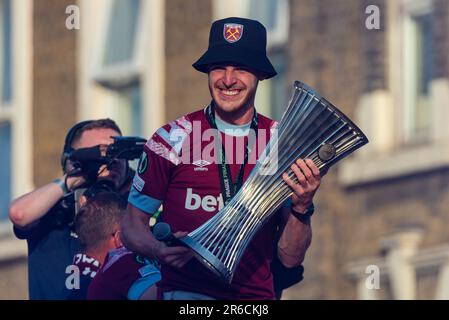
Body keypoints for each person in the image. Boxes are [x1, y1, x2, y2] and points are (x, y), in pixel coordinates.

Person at [121, 17, 321, 300]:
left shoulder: (283, 144)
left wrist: (302, 208)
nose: (228, 80)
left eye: (240, 68)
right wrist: (157, 249)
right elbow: (131, 226)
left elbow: (290, 259)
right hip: (186, 295)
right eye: (219, 68)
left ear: (260, 75)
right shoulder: (171, 139)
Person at [9, 119, 132, 300]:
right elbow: (19, 214)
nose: (111, 160)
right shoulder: (53, 212)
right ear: (72, 161)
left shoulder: (137, 213)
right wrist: (74, 178)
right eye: (100, 152)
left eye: (117, 152)